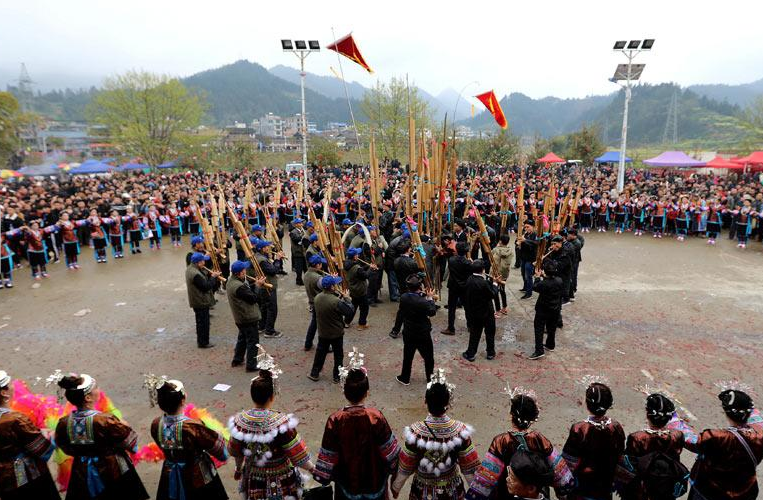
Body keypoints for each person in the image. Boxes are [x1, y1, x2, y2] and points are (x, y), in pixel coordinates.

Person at [314, 351, 401, 499]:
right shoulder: (376, 417)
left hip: (346, 485)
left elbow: (328, 456)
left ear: (344, 391)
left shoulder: (335, 420)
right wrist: (395, 477)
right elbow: (391, 453)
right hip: (375, 484)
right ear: (366, 392)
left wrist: (323, 477)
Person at [229, 350, 315, 499]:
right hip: (281, 479)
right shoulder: (282, 423)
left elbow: (236, 451)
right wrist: (313, 470)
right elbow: (298, 455)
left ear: (252, 395)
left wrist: (238, 469)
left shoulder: (240, 422)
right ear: (272, 396)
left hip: (254, 477)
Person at [54, 373, 149, 500]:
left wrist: (83, 452)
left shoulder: (64, 423)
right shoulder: (105, 420)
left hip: (81, 472)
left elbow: (64, 446)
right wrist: (124, 425)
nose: (99, 389)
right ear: (88, 397)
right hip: (112, 470)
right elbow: (130, 442)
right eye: (96, 387)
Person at [466, 389, 572, 500]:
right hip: (534, 493)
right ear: (533, 418)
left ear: (511, 416)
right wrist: (563, 494)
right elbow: (560, 474)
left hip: (506, 493)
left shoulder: (501, 441)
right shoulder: (540, 439)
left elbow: (486, 478)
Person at [391, 370, 480, 499]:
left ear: (425, 401)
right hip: (452, 491)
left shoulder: (415, 433)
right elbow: (469, 467)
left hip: (422, 492)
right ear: (448, 403)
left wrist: (396, 487)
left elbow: (405, 466)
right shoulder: (460, 431)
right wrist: (477, 494)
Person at [676, 387, 763, 500]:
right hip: (744, 492)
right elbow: (756, 417)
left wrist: (674, 419)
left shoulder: (716, 437)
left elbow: (691, 440)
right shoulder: (760, 434)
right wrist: (739, 400)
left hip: (710, 492)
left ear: (726, 413)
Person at [149, 379, 229, 500]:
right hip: (197, 477)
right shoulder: (192, 427)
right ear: (182, 400)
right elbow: (221, 452)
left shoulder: (156, 424)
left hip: (169, 475)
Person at [0, 370, 60, 500]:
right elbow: (41, 449)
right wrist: (51, 435)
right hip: (26, 476)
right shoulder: (15, 419)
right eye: (9, 384)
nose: (13, 385)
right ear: (4, 393)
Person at [616, 393, 688, 500]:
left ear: (647, 415)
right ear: (669, 418)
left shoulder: (637, 438)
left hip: (642, 489)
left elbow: (629, 465)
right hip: (665, 487)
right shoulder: (677, 436)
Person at [562, 381, 626, 500]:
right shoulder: (616, 427)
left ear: (587, 404)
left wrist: (564, 487)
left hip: (582, 487)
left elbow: (569, 461)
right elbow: (620, 457)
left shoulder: (579, 429)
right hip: (605, 487)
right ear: (609, 404)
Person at [308, 276, 354, 383]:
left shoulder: (317, 298)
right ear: (332, 287)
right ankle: (337, 376)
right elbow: (349, 311)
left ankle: (314, 373)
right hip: (336, 333)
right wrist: (347, 298)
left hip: (323, 332)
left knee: (320, 353)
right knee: (338, 355)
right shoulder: (336, 301)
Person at [395, 274, 438, 386]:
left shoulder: (404, 297)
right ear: (420, 286)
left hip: (409, 331)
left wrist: (423, 295)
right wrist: (430, 298)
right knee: (428, 358)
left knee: (408, 356)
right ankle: (430, 378)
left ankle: (405, 378)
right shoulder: (423, 302)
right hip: (422, 333)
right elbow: (432, 312)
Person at [226, 260, 267, 372]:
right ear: (239, 273)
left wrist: (254, 284)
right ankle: (251, 365)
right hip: (247, 317)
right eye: (244, 270)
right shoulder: (238, 286)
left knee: (243, 339)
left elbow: (246, 291)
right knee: (253, 341)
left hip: (240, 317)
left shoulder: (231, 281)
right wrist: (258, 286)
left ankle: (237, 359)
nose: (246, 272)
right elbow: (253, 298)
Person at [462, 260, 498, 362]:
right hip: (487, 312)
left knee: (475, 334)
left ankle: (471, 354)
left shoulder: (469, 279)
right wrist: (495, 284)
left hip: (475, 312)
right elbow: (492, 294)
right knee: (490, 333)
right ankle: (490, 353)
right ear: (483, 270)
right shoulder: (483, 283)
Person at [529, 260, 564, 361]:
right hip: (555, 309)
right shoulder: (559, 280)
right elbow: (550, 282)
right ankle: (550, 344)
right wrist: (543, 276)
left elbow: (535, 287)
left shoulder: (543, 284)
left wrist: (537, 278)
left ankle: (539, 350)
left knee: (539, 329)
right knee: (551, 328)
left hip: (543, 310)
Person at [186, 252, 220, 348]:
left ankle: (202, 341)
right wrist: (213, 277)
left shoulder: (192, 268)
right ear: (198, 262)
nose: (204, 263)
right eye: (203, 261)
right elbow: (205, 287)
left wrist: (209, 274)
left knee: (201, 322)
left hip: (198, 300)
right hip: (200, 301)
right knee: (203, 323)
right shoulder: (195, 273)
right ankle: (203, 342)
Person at [253, 240, 282, 338]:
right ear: (262, 248)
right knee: (272, 309)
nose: (268, 248)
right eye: (266, 247)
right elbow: (273, 270)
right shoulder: (262, 260)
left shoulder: (259, 256)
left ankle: (262, 326)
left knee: (264, 308)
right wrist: (277, 260)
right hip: (268, 286)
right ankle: (269, 331)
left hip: (264, 286)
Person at [441, 242, 471, 336]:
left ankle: (451, 328)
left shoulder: (451, 260)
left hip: (453, 286)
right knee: (467, 307)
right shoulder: (468, 263)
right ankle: (470, 326)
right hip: (464, 287)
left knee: (452, 308)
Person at [345, 246, 374, 329]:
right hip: (360, 290)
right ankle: (362, 324)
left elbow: (359, 271)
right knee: (364, 308)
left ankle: (346, 322)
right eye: (357, 254)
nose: (358, 255)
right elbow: (365, 275)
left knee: (353, 307)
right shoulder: (357, 268)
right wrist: (371, 269)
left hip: (353, 289)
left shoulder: (347, 264)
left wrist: (367, 267)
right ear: (354, 256)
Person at [303, 254, 326, 351]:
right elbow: (326, 288)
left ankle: (308, 343)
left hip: (312, 302)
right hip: (320, 303)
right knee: (323, 326)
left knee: (314, 324)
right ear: (317, 265)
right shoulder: (317, 277)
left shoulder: (307, 274)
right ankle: (323, 346)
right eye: (321, 264)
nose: (322, 265)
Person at [491, 233, 513, 316]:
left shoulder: (496, 250)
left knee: (495, 291)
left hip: (495, 274)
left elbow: (491, 256)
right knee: (502, 290)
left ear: (500, 241)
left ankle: (497, 310)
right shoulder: (510, 251)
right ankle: (504, 308)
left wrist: (497, 247)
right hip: (504, 274)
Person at [516, 222, 538, 300]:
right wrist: (518, 242)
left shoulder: (535, 235)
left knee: (528, 276)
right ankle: (525, 287)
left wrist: (525, 240)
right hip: (523, 257)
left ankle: (529, 293)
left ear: (533, 227)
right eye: (525, 227)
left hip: (530, 258)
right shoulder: (525, 234)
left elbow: (536, 244)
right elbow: (520, 242)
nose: (526, 229)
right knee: (523, 273)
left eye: (528, 227)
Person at [565, 228, 584, 302]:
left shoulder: (577, 243)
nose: (567, 236)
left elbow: (568, 250)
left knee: (572, 276)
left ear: (573, 235)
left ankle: (572, 290)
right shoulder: (573, 240)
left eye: (569, 234)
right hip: (573, 261)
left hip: (574, 262)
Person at [289, 217, 307, 286]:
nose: (301, 224)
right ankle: (298, 280)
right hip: (297, 252)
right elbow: (297, 239)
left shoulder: (303, 230)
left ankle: (306, 279)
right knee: (299, 268)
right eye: (299, 223)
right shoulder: (293, 232)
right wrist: (303, 236)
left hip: (304, 252)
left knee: (305, 267)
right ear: (296, 225)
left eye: (301, 223)